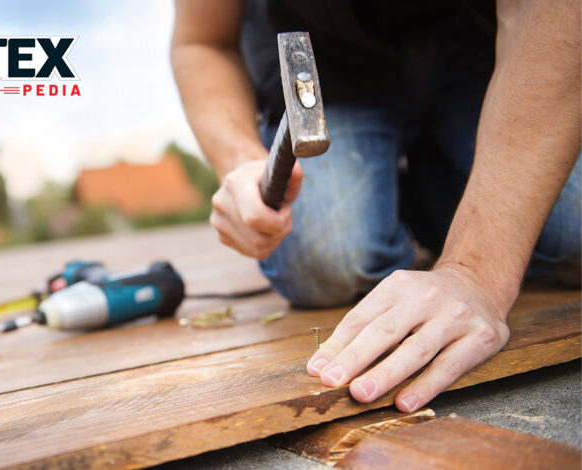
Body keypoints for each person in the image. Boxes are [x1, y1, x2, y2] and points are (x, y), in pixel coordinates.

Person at [171, 0, 581, 412]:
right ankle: (410, 193)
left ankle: (429, 186)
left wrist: (477, 271)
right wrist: (242, 161)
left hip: (484, 51)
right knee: (327, 259)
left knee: (574, 231)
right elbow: (203, 42)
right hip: (336, 73)